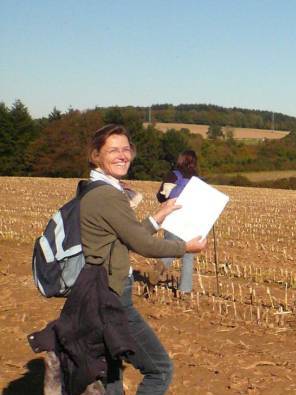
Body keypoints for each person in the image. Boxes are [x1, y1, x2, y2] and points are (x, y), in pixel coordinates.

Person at [79, 124, 207, 394]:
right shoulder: (107, 195)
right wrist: (185, 247)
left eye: (126, 149)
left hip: (98, 293)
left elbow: (126, 235)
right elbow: (143, 244)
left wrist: (157, 217)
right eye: (113, 150)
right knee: (160, 369)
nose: (122, 155)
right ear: (96, 155)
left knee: (112, 374)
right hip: (113, 297)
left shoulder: (99, 189)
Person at [156, 150, 200, 294]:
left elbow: (160, 196)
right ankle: (185, 291)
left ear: (180, 160)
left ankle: (158, 270)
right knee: (188, 255)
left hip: (173, 215)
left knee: (170, 247)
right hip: (192, 219)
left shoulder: (174, 174)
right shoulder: (198, 179)